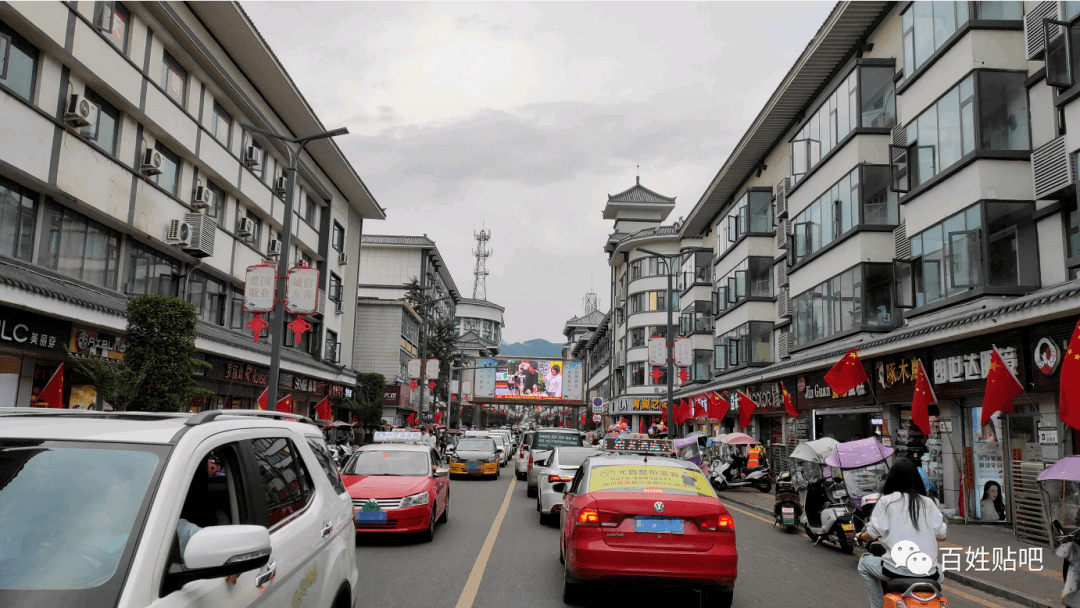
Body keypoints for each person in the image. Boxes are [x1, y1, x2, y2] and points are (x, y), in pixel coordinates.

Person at [856, 459, 947, 608]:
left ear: (891, 480)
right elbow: (942, 535)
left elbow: (871, 534)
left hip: (894, 570)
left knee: (863, 563)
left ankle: (878, 606)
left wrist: (861, 535)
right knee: (940, 568)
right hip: (930, 573)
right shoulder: (929, 503)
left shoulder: (886, 502)